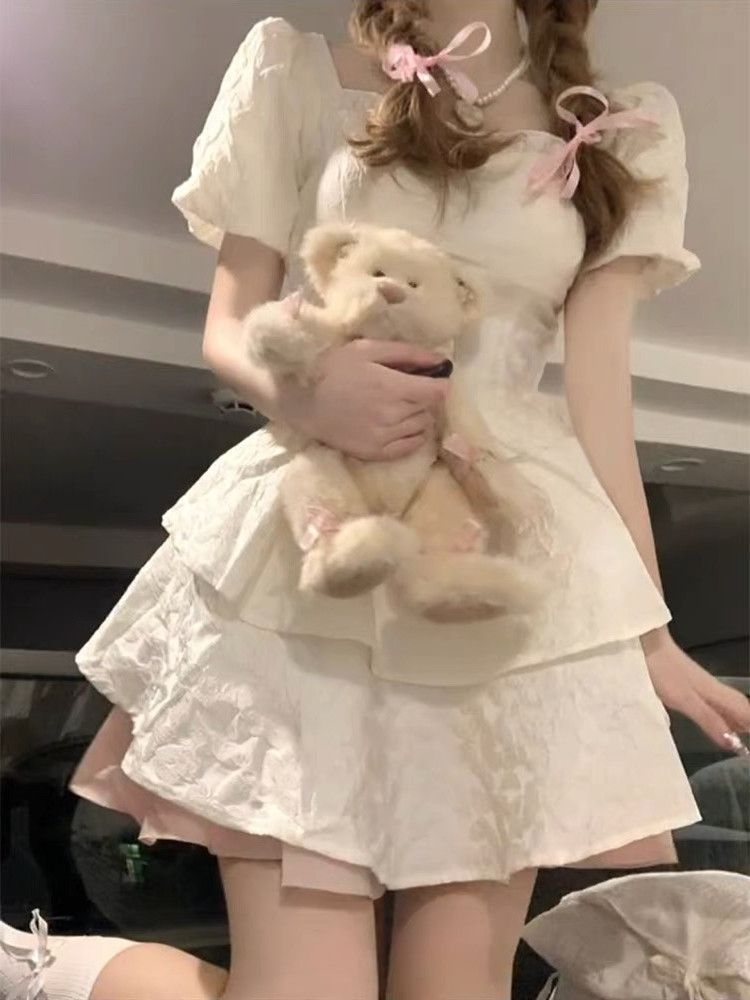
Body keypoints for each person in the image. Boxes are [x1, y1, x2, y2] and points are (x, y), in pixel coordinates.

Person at [3, 1, 749, 998]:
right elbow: (233, 322)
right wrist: (308, 390)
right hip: (318, 548)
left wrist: (647, 631)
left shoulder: (625, 124)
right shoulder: (293, 72)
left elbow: (599, 398)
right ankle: (42, 965)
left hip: (503, 566)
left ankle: (33, 965)